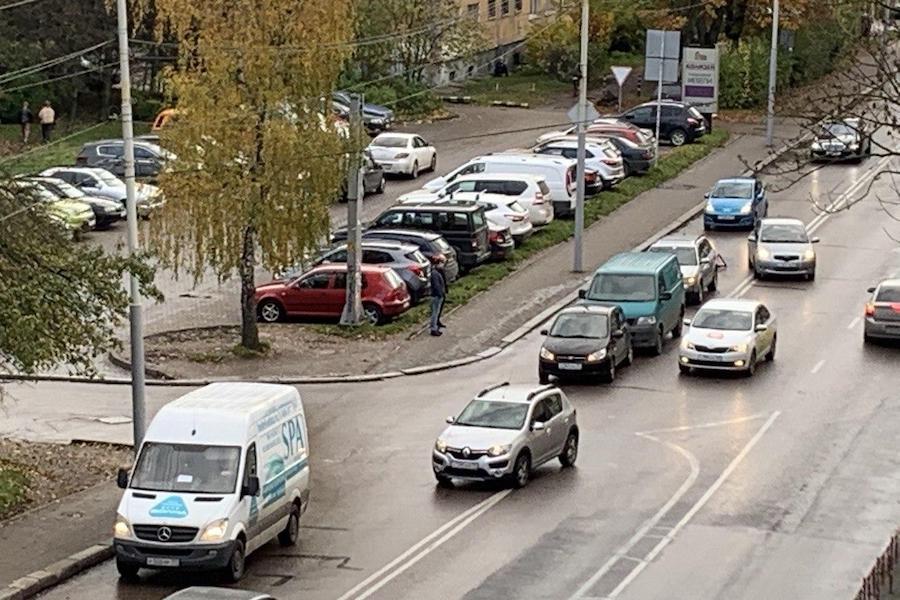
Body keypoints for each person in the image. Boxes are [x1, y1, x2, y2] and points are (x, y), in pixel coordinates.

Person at [429, 258, 447, 337]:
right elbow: (436, 285)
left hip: (439, 295)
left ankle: (436, 325)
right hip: (437, 295)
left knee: (437, 311)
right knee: (435, 312)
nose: (442, 265)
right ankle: (433, 329)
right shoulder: (434, 273)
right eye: (441, 263)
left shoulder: (437, 272)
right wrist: (440, 294)